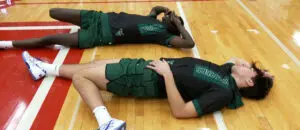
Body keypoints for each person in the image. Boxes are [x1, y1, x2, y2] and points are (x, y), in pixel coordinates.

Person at [21, 51, 274, 130]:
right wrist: (264, 76)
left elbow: (181, 111)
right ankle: (44, 68)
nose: (247, 65)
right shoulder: (226, 73)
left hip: (148, 80)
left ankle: (107, 123)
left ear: (250, 82)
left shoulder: (223, 94)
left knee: (81, 77)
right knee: (90, 66)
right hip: (147, 66)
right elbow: (236, 59)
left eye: (252, 70)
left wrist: (168, 75)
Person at [0, 6, 195, 49]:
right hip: (97, 17)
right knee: (53, 11)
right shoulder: (152, 18)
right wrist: (167, 10)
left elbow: (189, 43)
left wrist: (178, 24)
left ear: (174, 27)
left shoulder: (163, 36)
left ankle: (6, 44)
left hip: (99, 36)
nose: (172, 17)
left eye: (175, 19)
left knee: (50, 40)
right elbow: (156, 8)